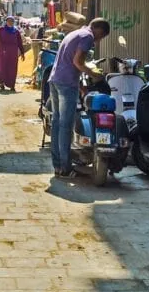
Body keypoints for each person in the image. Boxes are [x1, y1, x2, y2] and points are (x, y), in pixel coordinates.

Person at [48, 17, 111, 178]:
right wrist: (93, 74)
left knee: (56, 122)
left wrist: (82, 84)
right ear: (99, 30)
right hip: (67, 83)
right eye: (101, 36)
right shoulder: (87, 37)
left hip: (55, 80)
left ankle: (58, 166)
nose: (98, 40)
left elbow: (70, 60)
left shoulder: (75, 33)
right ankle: (66, 167)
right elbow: (78, 61)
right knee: (65, 125)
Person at [0, 16, 25, 92]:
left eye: (12, 21)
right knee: (3, 67)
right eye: (9, 21)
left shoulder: (16, 31)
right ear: (6, 21)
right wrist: (0, 46)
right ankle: (2, 83)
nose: (10, 22)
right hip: (3, 52)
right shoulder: (1, 30)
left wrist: (22, 53)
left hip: (13, 53)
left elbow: (20, 43)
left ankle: (12, 85)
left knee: (12, 69)